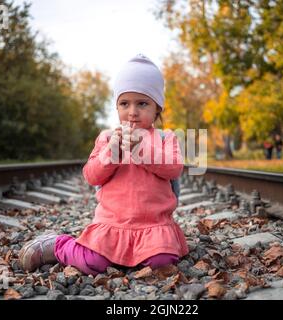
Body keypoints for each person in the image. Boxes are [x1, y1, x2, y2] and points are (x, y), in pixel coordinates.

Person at [18, 54, 189, 275]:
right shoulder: (108, 138)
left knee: (162, 262)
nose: (133, 111)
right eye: (124, 103)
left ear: (157, 108)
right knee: (94, 263)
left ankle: (145, 252)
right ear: (117, 107)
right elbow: (91, 176)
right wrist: (112, 154)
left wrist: (141, 150)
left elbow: (174, 168)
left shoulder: (166, 138)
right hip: (112, 224)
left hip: (153, 225)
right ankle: (58, 246)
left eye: (143, 103)